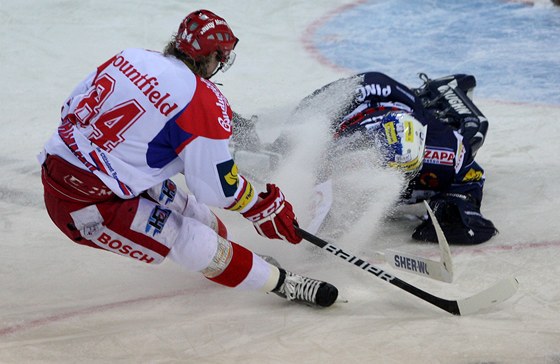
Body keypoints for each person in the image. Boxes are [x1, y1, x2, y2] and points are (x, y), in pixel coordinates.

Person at [38, 9, 338, 308]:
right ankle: (283, 284)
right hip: (83, 205)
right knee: (193, 239)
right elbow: (217, 188)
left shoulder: (130, 56)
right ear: (214, 58)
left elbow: (71, 108)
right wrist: (260, 206)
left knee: (201, 218)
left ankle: (240, 264)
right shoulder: (201, 100)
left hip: (75, 166)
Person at [232, 71, 498, 245]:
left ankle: (431, 98)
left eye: (405, 171)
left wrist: (455, 204)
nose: (397, 179)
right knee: (281, 155)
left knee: (474, 131)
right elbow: (316, 195)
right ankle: (232, 129)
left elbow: (471, 175)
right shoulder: (346, 150)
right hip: (364, 93)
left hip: (401, 104)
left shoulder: (446, 153)